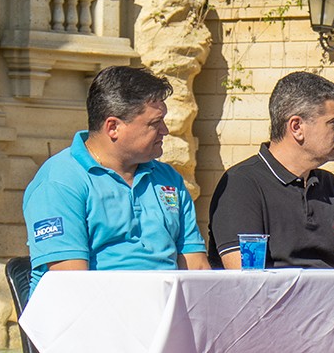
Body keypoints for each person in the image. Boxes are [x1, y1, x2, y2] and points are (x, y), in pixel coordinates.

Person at [23, 66, 208, 293]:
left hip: (165, 316)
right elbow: (70, 286)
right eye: (154, 123)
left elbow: (196, 267)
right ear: (113, 127)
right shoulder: (60, 181)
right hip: (93, 319)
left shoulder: (168, 179)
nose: (165, 130)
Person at [207, 71, 334, 269]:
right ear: (296, 127)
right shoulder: (241, 184)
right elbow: (247, 284)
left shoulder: (331, 186)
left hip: (333, 299)